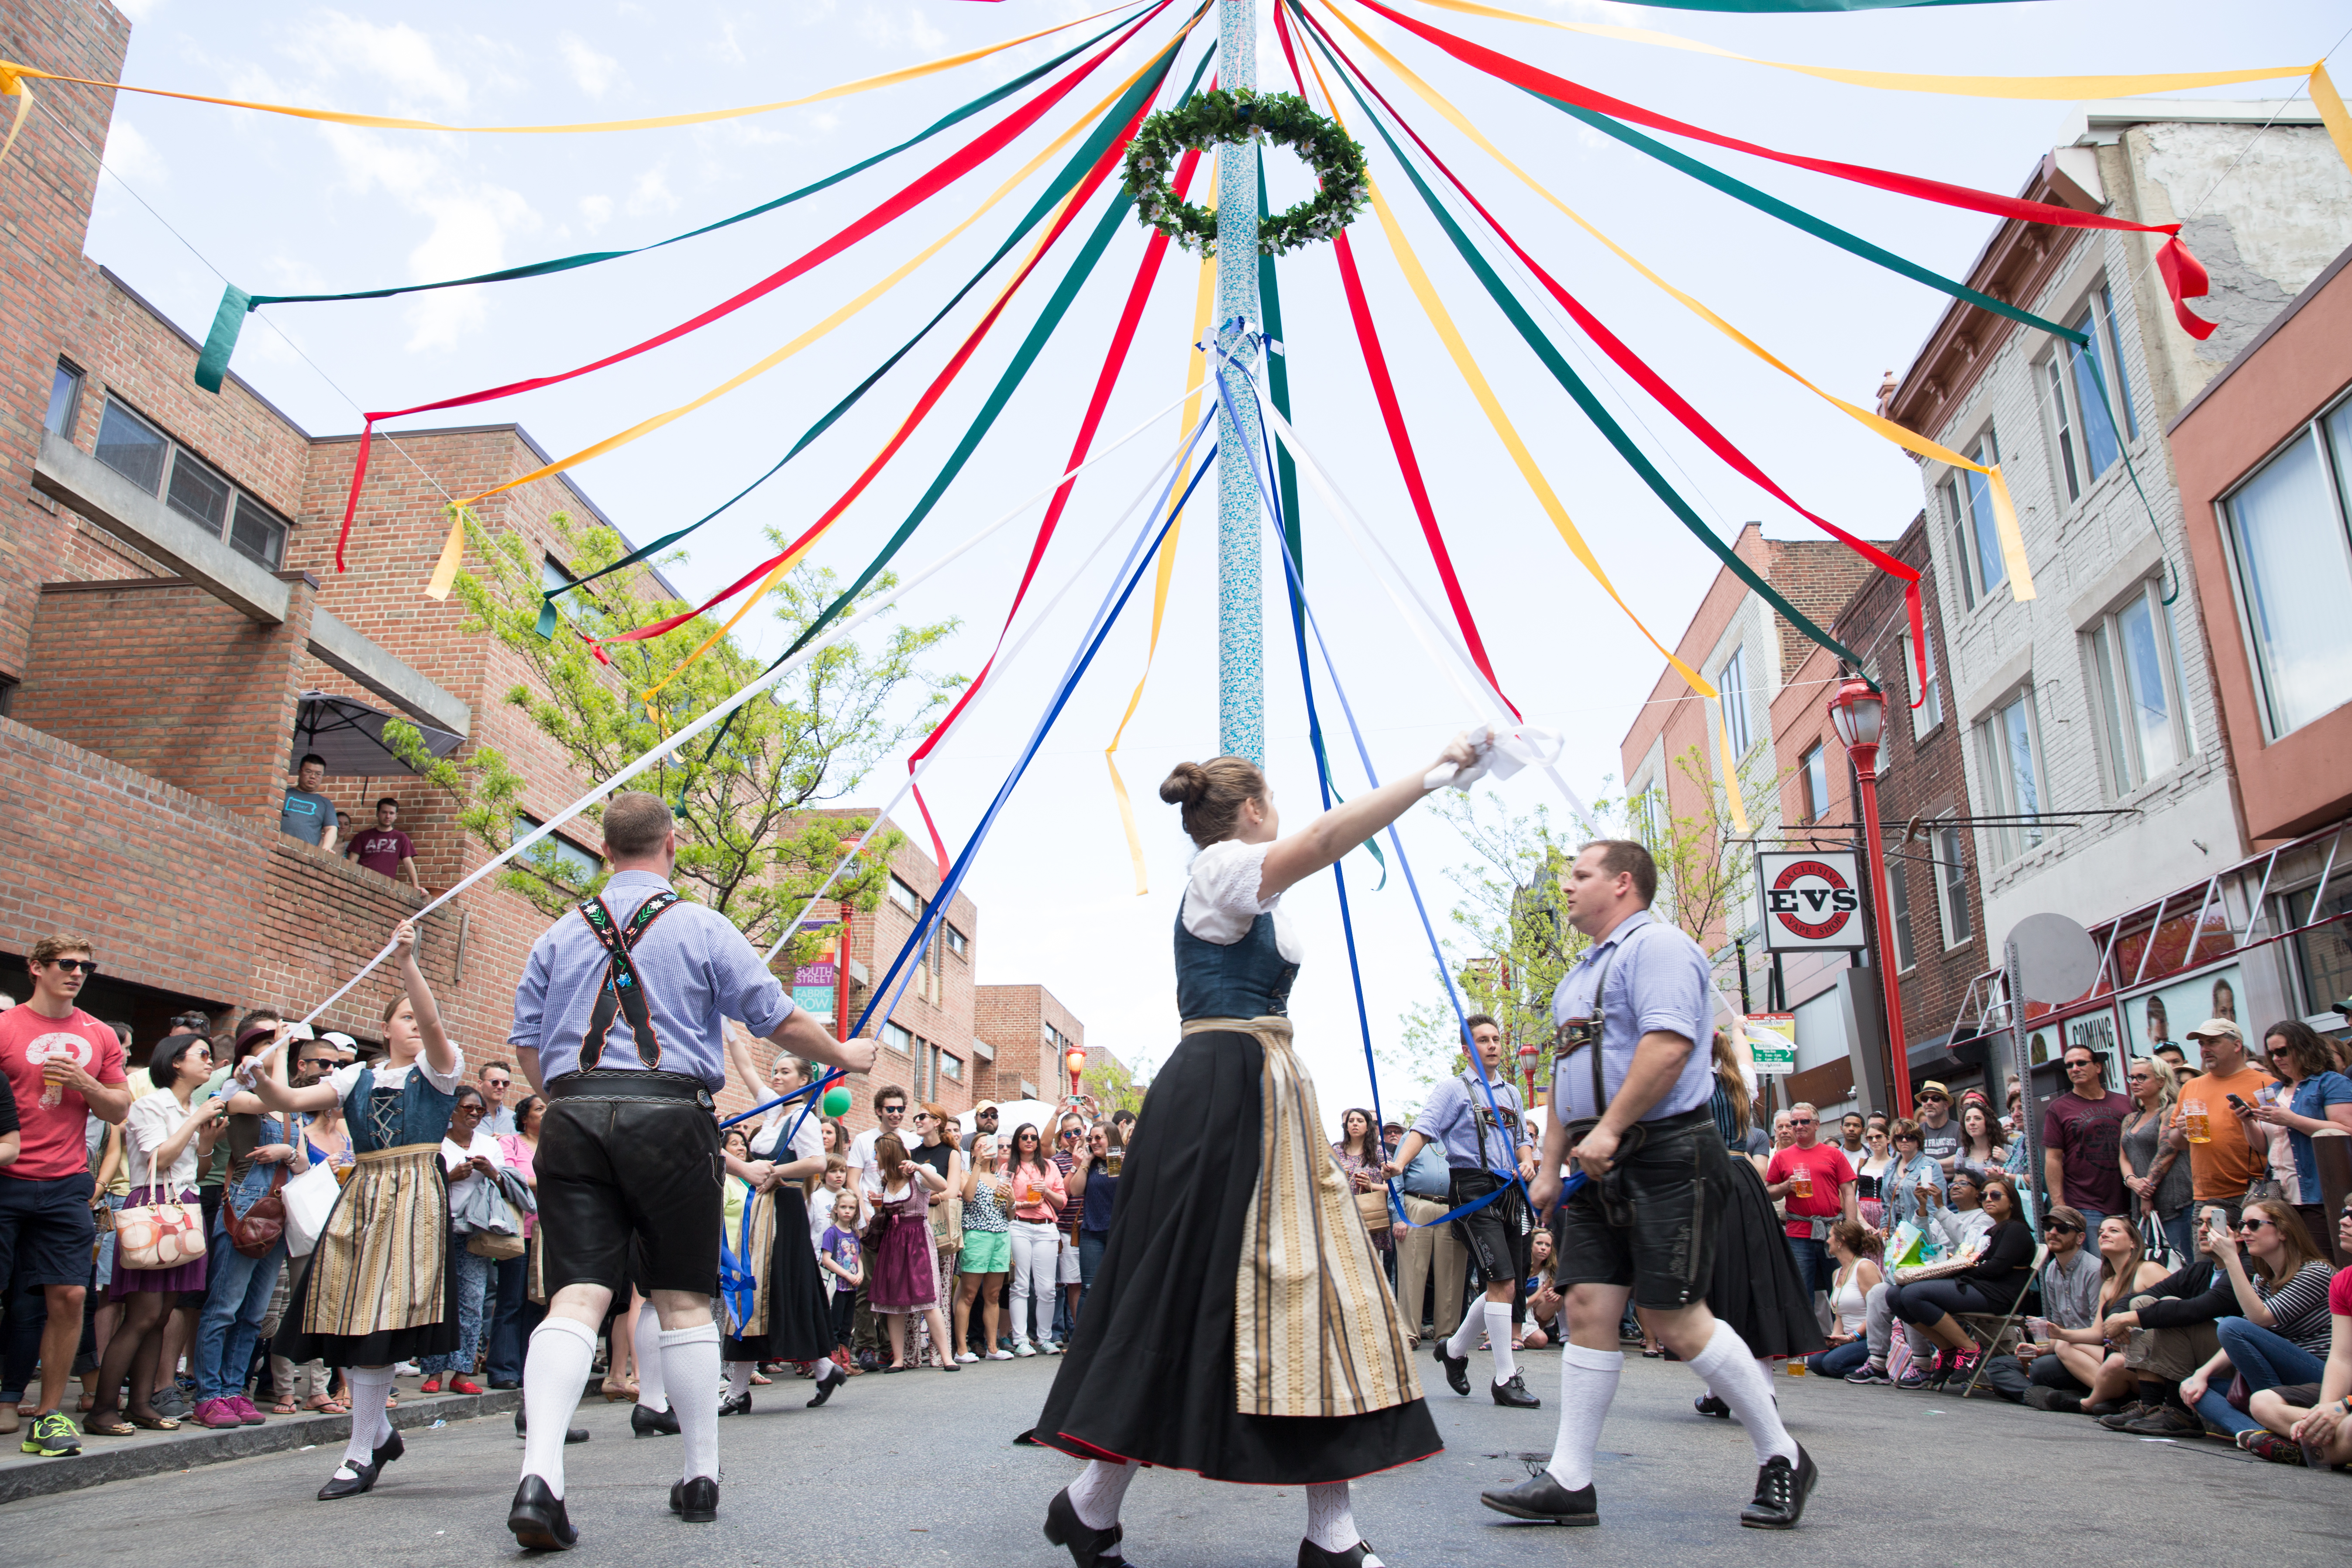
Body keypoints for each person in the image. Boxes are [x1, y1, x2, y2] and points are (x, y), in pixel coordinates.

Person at [1036, 745, 1468, 1568]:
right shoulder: (1225, 869)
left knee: (1297, 1290)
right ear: (1255, 808)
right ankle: (1106, 1506)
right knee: (1254, 1289)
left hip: (1259, 1090)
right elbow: (1329, 838)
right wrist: (1428, 773)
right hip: (1224, 1094)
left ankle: (1106, 1507)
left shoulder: (1236, 877)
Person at [497, 791, 874, 1547]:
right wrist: (844, 1055)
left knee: (575, 1296)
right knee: (681, 1298)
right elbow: (775, 1014)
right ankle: (700, 1472)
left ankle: (540, 1477)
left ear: (605, 850)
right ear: (671, 844)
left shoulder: (556, 935)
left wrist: (571, 1101)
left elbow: (527, 1047)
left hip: (571, 1115)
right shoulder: (703, 925)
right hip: (672, 1120)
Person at [1486, 838, 1816, 1532]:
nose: (1568, 887)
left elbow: (1669, 1046)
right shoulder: (1578, 976)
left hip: (1669, 1152)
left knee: (1673, 1319)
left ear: (1624, 883)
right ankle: (1572, 1480)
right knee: (1586, 1309)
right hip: (1602, 1162)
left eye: (1581, 876)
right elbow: (1568, 1080)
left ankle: (1782, 1453)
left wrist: (1610, 1130)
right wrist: (1551, 1164)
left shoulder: (1660, 949)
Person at [253, 920, 460, 1500]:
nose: (417, 1027)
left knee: (380, 1322)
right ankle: (377, 1435)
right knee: (350, 1316)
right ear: (386, 1028)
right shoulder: (355, 1078)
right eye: (405, 1020)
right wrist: (269, 1061)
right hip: (364, 1197)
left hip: (414, 1197)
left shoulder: (441, 1070)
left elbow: (437, 1023)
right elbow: (286, 1100)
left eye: (421, 1019)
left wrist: (408, 964)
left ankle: (358, 1452)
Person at [0, 936, 132, 1458]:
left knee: (71, 1295)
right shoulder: (6, 1027)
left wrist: (86, 1084)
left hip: (66, 1181)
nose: (77, 972)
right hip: (6, 1176)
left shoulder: (98, 1034)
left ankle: (48, 1414)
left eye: (86, 966)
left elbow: (119, 1109)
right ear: (35, 968)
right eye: (66, 964)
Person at [1386, 1012, 1540, 1409]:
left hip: (1510, 1190)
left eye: (1495, 1039)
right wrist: (1400, 1164)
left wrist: (1527, 1161)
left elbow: (1523, 1139)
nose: (1492, 1045)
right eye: (1483, 1040)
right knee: (1501, 1280)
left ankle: (1453, 1351)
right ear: (1466, 1049)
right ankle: (1505, 1379)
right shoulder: (1453, 1090)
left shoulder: (1511, 1094)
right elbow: (1422, 1129)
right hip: (1472, 1190)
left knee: (1504, 1284)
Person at [87, 1029, 225, 1437]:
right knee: (143, 1315)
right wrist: (198, 1122)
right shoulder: (150, 1105)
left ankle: (141, 1404)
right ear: (176, 1062)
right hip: (151, 1210)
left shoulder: (189, 1110)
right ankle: (103, 1409)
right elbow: (157, 1159)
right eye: (201, 1054)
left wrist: (206, 1141)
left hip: (181, 1212)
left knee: (163, 1316)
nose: (209, 1061)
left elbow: (195, 1174)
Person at [715, 1033, 843, 1413]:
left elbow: (818, 1164)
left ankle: (747, 1388)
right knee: (751, 1292)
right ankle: (819, 1370)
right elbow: (745, 1066)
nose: (776, 1076)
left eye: (785, 1071)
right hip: (757, 1209)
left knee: (778, 1291)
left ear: (804, 1081)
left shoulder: (804, 1118)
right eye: (775, 1070)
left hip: (783, 1208)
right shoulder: (773, 1112)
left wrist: (772, 1171)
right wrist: (728, 1029)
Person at [191, 1025, 310, 1430]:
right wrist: (275, 1058)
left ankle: (234, 1389)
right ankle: (208, 1393)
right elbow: (258, 1100)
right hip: (243, 1204)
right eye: (267, 1052)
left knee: (254, 1312)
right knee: (224, 1306)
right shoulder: (233, 1093)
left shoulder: (292, 1108)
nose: (274, 1059)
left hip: (279, 1207)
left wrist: (289, 1151)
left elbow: (305, 1165)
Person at [2180, 1198, 2337, 1441]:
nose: (2244, 1231)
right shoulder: (2263, 1281)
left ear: (2283, 1231)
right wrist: (2201, 1373)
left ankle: (2270, 1423)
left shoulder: (2315, 1272)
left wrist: (2231, 1259)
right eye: (2243, 1224)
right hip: (2287, 1378)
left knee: (2232, 1326)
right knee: (2196, 1388)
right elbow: (2248, 1330)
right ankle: (2257, 1435)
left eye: (2254, 1225)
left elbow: (2257, 1320)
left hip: (2324, 1376)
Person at [1884, 1173, 2034, 1389]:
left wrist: (1957, 1271)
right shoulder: (1993, 1230)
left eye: (1996, 1195)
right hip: (1975, 1286)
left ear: (2012, 1201)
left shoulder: (2016, 1229)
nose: (1988, 1199)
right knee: (1895, 1295)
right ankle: (1948, 1349)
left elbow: (1996, 1268)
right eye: (1984, 1195)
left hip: (1996, 1295)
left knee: (1913, 1294)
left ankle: (1971, 1348)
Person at [2020, 1213, 2170, 1413]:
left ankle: (2090, 1403)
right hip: (2122, 1354)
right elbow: (2098, 1333)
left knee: (2113, 1362)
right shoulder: (2109, 1283)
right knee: (2064, 1347)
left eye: (2114, 1231)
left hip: (2153, 1360)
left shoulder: (2149, 1270)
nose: (2104, 1235)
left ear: (2133, 1242)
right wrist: (2058, 1334)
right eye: (2101, 1232)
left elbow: (2175, 1309)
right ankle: (2113, 1398)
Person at [2247, 1196, 2352, 1465]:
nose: (2343, 1220)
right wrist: (2326, 1411)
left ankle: (2309, 1452)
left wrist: (2345, 1406)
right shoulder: (2343, 1281)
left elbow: (2257, 1319)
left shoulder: (2317, 1272)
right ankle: (2321, 1443)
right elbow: (2343, 1357)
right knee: (2262, 1403)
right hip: (2342, 1394)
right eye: (2344, 1212)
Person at [419, 1085, 504, 1396]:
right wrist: (449, 1176)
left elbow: (507, 1185)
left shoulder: (489, 1145)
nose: (475, 1115)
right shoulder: (435, 1143)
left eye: (480, 1111)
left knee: (472, 1301)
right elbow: (420, 1185)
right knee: (437, 1302)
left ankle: (463, 1370)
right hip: (437, 1230)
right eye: (468, 1108)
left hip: (474, 1232)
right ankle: (433, 1371)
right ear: (452, 1111)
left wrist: (491, 1171)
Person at [2246, 1020, 2352, 1240]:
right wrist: (2246, 1121)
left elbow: (2346, 1130)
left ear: (2304, 1048)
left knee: (2323, 1262)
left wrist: (2292, 1120)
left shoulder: (2330, 1083)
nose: (2276, 1058)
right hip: (2280, 1199)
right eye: (2271, 1053)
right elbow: (2265, 1147)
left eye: (2282, 1051)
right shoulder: (2274, 1089)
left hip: (2320, 1196)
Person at [2166, 1018, 2269, 1232]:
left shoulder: (2266, 1084)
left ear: (2237, 1045)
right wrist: (2182, 1131)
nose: (2205, 1049)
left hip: (2253, 1194)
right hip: (2207, 1198)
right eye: (2202, 1044)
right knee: (2209, 1264)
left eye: (2213, 1042)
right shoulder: (2192, 1086)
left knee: (2254, 1264)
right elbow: (2176, 1142)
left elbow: (2278, 1141)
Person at [863, 1134, 954, 1373]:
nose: (875, 1158)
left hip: (917, 1238)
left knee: (927, 1297)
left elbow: (943, 1186)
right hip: (893, 1239)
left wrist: (922, 1169)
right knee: (893, 1299)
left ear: (887, 1153)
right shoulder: (885, 1182)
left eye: (877, 1152)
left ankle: (947, 1357)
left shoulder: (917, 1176)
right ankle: (898, 1359)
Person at [1764, 1102, 1857, 1303]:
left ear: (1817, 1124)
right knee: (1801, 1295)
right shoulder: (1781, 1157)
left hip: (1833, 1232)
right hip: (1798, 1234)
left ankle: (1840, 1333)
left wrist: (1850, 1228)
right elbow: (1768, 1192)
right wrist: (1786, 1186)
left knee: (1840, 1291)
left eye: (1804, 1121)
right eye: (1794, 1122)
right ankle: (1806, 1335)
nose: (1798, 1126)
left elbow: (1849, 1193)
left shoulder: (1834, 1154)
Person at [1389, 1107, 1466, 1352]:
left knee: (1452, 1270)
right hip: (1416, 1204)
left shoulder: (1461, 1135)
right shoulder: (1411, 1136)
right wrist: (1398, 1217)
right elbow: (1395, 1179)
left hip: (1452, 1208)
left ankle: (1447, 1334)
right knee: (1412, 1270)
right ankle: (1410, 1333)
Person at [846, 1084, 911, 1366]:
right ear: (879, 1111)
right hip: (871, 1221)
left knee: (893, 1285)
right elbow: (853, 1181)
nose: (896, 1114)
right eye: (890, 1109)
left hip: (900, 1222)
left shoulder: (911, 1140)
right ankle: (866, 1346)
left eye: (900, 1109)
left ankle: (889, 1346)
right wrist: (862, 1217)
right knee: (867, 1285)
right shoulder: (864, 1140)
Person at [486, 1092, 545, 1390]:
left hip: (546, 1235)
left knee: (538, 1303)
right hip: (517, 1233)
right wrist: (548, 1178)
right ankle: (503, 1369)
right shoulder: (510, 1142)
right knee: (510, 1301)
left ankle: (528, 1368)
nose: (545, 1113)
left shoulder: (553, 1146)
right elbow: (511, 1176)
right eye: (539, 1109)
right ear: (524, 1117)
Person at [2043, 1043, 2132, 1230]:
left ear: (2098, 1067)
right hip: (2084, 1204)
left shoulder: (2126, 1103)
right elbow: (2053, 1158)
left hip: (2129, 1201)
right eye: (2070, 1065)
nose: (2075, 1069)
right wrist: (2059, 1205)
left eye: (2081, 1063)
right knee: (2095, 1260)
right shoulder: (2058, 1109)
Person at [2121, 1055, 2193, 1266]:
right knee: (2152, 1267)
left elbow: (2167, 1152)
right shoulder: (2130, 1119)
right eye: (2132, 1078)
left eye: (2142, 1077)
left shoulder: (2170, 1111)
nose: (2135, 1082)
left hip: (2176, 1201)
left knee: (2182, 1265)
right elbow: (2123, 1157)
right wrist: (2132, 1182)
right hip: (2143, 1206)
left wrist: (2146, 1190)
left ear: (2161, 1081)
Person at [1003, 1123, 1068, 1357]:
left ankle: (1046, 1337)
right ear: (1017, 1141)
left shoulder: (1049, 1166)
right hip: (1019, 1225)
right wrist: (1023, 1204)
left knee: (1047, 1288)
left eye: (1033, 1137)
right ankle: (1021, 1339)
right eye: (1024, 1137)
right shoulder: (1008, 1167)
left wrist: (1046, 1192)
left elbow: (1063, 1201)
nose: (1029, 1140)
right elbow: (1002, 1200)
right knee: (1020, 1285)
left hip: (1047, 1228)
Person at [1803, 1221, 1882, 1379]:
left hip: (1869, 1339)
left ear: (1842, 1241)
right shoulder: (1837, 1273)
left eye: (1831, 1236)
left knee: (1833, 1364)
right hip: (1849, 1338)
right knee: (1815, 1361)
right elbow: (1839, 1315)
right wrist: (1834, 1339)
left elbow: (1878, 1312)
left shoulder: (1865, 1268)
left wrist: (1853, 1337)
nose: (1827, 1240)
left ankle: (1882, 1368)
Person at [1069, 1122, 1119, 1320]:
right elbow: (1075, 1191)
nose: (1094, 1142)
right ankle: (1081, 1345)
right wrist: (1085, 1163)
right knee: (1089, 1289)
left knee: (1118, 1288)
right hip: (1092, 1233)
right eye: (1091, 1139)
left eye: (1099, 1138)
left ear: (1112, 1139)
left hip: (1119, 1233)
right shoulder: (1090, 1164)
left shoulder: (1126, 1160)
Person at [344, 798, 423, 891]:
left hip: (386, 887)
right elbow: (352, 862)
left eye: (391, 813)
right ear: (378, 813)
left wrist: (416, 886)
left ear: (396, 816)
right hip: (362, 883)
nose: (388, 816)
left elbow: (408, 863)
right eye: (384, 812)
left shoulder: (401, 838)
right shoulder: (362, 836)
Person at [1882, 1120, 1946, 1235]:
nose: (1904, 1140)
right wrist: (1884, 1226)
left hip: (1919, 1232)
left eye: (1910, 1137)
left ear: (1918, 1141)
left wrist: (1929, 1235)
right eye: (1899, 1137)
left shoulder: (1930, 1165)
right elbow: (1886, 1205)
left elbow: (1935, 1206)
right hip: (1894, 1234)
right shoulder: (1889, 1167)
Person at [281, 753, 338, 852]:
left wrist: (326, 849)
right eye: (308, 772)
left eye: (318, 774)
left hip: (306, 855)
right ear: (300, 772)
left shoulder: (325, 803)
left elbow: (331, 829)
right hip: (279, 846)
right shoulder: (284, 794)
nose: (313, 777)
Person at [1852, 1121, 1895, 1231]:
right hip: (1862, 1217)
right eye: (1870, 1138)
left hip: (1888, 1217)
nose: (1874, 1141)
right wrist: (1861, 1221)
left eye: (1879, 1137)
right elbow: (1849, 1195)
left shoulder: (1896, 1165)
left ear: (1888, 1139)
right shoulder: (1860, 1164)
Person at [1953, 1101, 2008, 1185]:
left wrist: (2007, 1160)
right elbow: (1958, 1183)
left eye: (1978, 1118)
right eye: (1968, 1119)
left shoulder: (2006, 1149)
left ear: (1988, 1122)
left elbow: (2020, 1181)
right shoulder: (1962, 1153)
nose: (1972, 1123)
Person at [1913, 1081, 1962, 1173]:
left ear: (1946, 1105)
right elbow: (1912, 1163)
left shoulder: (1959, 1129)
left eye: (1935, 1099)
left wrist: (1927, 1165)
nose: (1929, 1103)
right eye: (1925, 1099)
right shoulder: (1915, 1132)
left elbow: (1960, 1161)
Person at [475, 1060, 518, 1137]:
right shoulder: (469, 1116)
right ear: (480, 1084)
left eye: (505, 1083)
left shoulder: (515, 1119)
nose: (501, 1087)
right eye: (495, 1082)